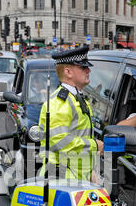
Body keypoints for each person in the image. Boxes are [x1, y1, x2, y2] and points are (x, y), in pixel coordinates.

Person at [39, 45, 103, 182]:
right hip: (62, 180)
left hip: (76, 179)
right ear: (68, 72)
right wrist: (94, 145)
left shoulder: (76, 98)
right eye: (83, 67)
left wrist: (90, 173)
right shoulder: (59, 102)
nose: (88, 70)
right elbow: (61, 142)